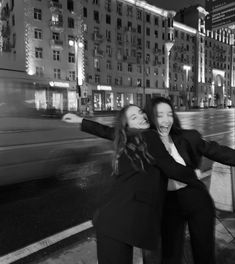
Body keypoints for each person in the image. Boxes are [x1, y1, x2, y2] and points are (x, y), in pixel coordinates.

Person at [62, 105, 204, 264]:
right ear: (127, 125)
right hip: (119, 223)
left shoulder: (128, 137)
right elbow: (171, 168)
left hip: (113, 221)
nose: (142, 117)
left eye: (141, 113)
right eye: (134, 117)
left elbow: (108, 132)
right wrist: (195, 175)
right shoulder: (149, 136)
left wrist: (80, 120)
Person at [144, 96, 235, 264]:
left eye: (169, 114)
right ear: (150, 117)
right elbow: (113, 133)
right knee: (170, 256)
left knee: (204, 254)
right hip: (169, 205)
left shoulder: (188, 137)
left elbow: (217, 151)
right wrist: (82, 122)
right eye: (159, 115)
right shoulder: (145, 141)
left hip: (196, 199)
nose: (166, 120)